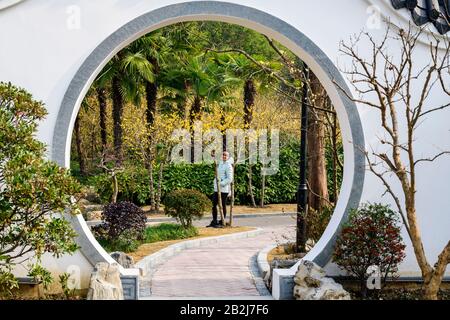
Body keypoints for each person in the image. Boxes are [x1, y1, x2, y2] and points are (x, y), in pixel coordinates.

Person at [208, 151, 233, 228]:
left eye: (225, 155)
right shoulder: (220, 163)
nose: (224, 156)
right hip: (217, 189)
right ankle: (214, 221)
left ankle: (222, 221)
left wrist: (221, 183)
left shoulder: (229, 166)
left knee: (222, 205)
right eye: (223, 155)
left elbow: (229, 179)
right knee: (213, 205)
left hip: (224, 189)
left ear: (228, 157)